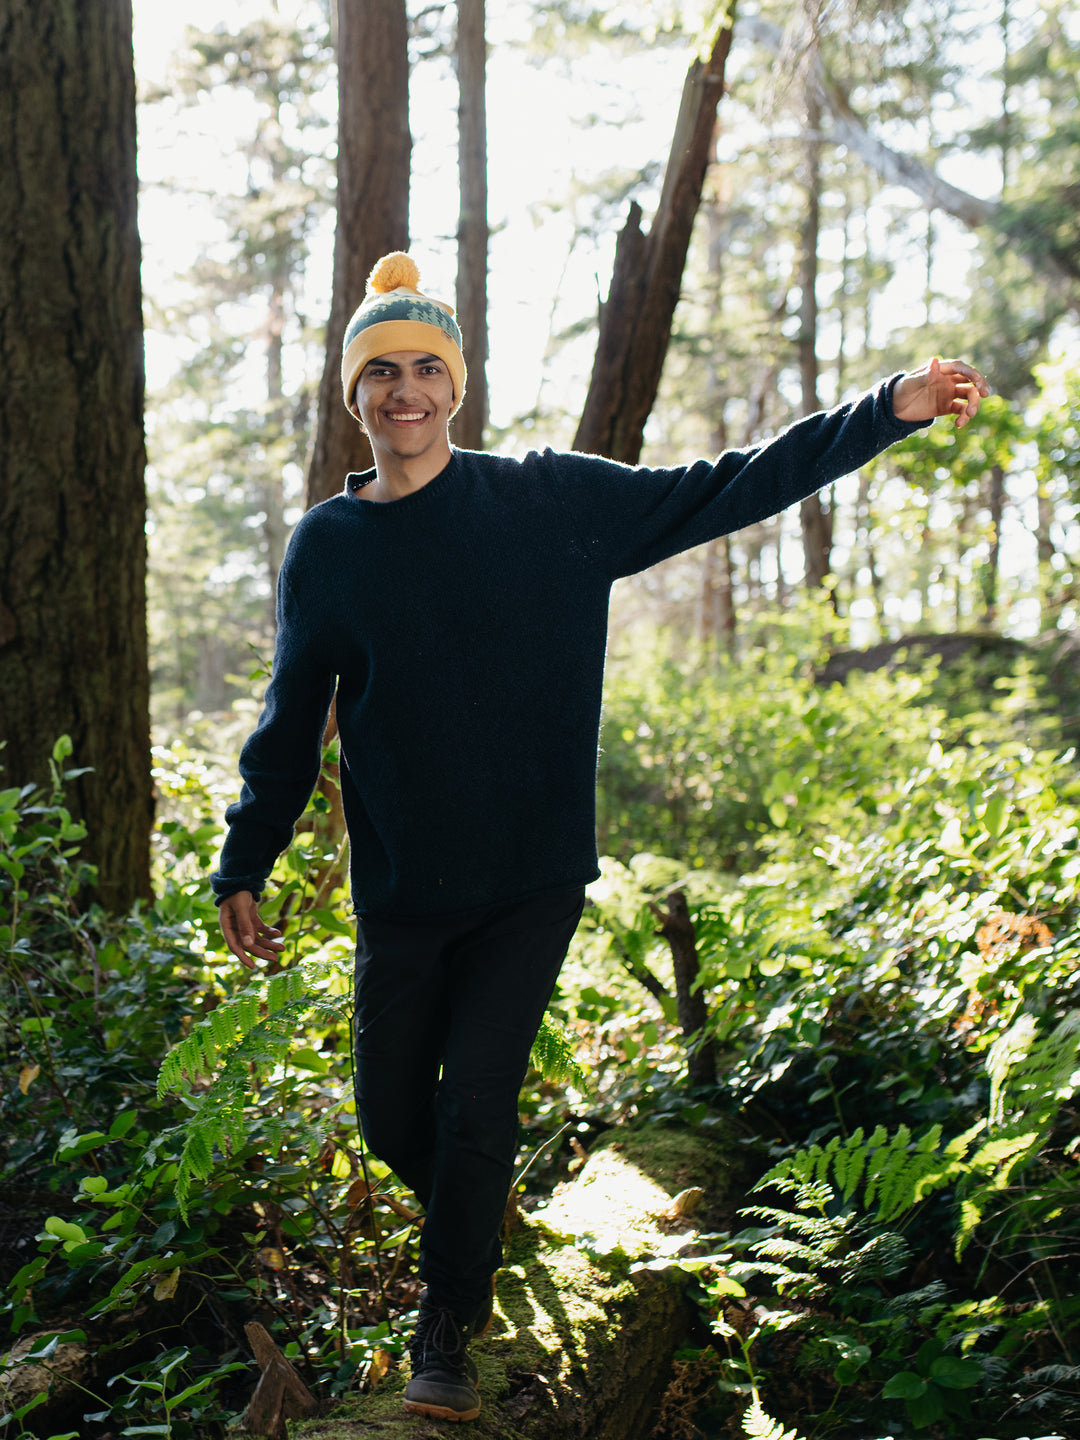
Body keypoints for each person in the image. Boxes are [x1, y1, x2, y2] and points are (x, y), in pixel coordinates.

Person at [212, 251, 989, 1423]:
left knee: (477, 1102)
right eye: (382, 373)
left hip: (529, 880)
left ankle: (447, 1340)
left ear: (456, 389)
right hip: (405, 894)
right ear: (357, 397)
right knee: (388, 1118)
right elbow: (290, 717)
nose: (405, 392)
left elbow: (728, 484)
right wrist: (245, 858)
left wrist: (882, 411)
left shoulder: (549, 502)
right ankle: (478, 1209)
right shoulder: (330, 547)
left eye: (427, 367)